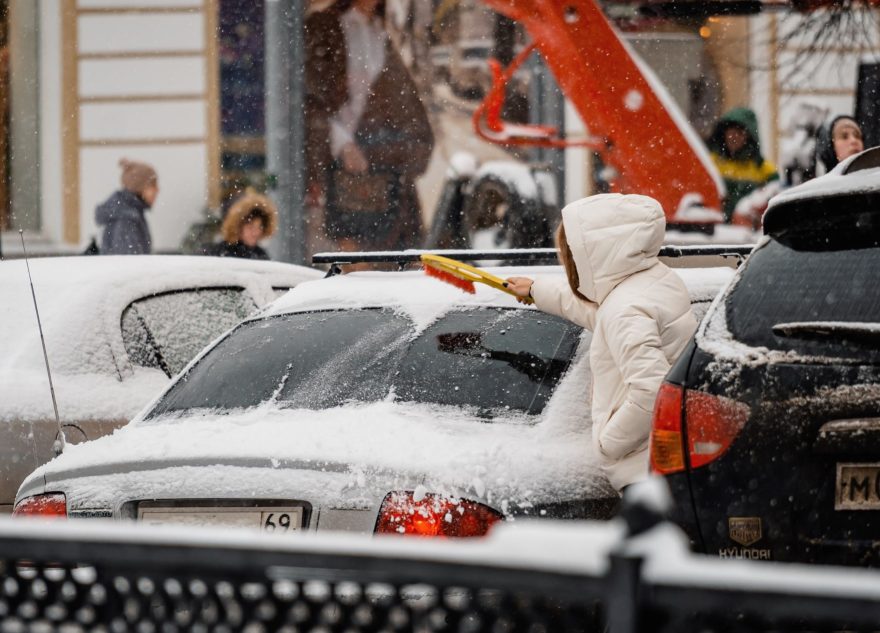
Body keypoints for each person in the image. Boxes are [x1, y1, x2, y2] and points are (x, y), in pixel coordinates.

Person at [505, 194, 697, 493]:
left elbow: (652, 393)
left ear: (594, 255)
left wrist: (608, 444)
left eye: (571, 255)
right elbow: (600, 312)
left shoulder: (626, 309)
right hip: (666, 464)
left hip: (642, 471)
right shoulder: (651, 281)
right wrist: (536, 290)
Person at [305, 0, 434, 252]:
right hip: (336, 166)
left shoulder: (382, 30)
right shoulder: (325, 25)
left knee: (393, 251)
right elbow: (309, 101)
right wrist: (342, 143)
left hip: (380, 162)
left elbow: (403, 103)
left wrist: (403, 146)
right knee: (347, 252)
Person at [706, 107, 779, 223]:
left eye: (739, 133)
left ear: (748, 137)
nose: (734, 137)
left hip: (746, 231)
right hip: (714, 229)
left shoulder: (760, 165)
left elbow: (775, 189)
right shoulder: (711, 161)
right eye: (730, 131)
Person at [94, 158, 159, 255]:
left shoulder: (127, 213)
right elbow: (129, 265)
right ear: (139, 188)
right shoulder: (127, 219)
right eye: (152, 186)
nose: (157, 190)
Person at [208, 191, 277, 260]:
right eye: (250, 227)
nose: (255, 233)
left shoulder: (262, 255)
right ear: (238, 227)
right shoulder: (219, 252)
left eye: (260, 227)